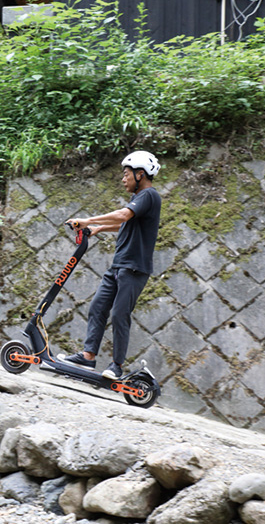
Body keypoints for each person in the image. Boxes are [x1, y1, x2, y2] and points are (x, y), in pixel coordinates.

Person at [62, 150, 162, 380]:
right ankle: (88, 356)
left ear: (140, 174)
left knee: (119, 314)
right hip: (118, 266)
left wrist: (88, 220)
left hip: (134, 268)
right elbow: (125, 223)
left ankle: (116, 366)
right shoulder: (138, 200)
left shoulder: (149, 196)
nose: (123, 178)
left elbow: (122, 216)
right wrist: (99, 229)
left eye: (126, 174)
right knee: (98, 307)